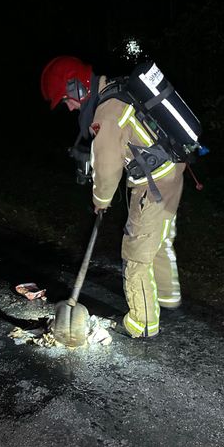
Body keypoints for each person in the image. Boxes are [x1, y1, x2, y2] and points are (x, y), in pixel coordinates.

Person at [40, 56, 185, 338]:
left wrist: (101, 199)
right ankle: (168, 300)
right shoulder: (115, 88)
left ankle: (142, 324)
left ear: (77, 88)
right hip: (173, 170)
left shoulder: (106, 113)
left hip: (154, 185)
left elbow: (107, 169)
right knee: (158, 239)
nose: (68, 107)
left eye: (66, 100)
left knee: (136, 254)